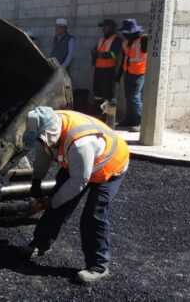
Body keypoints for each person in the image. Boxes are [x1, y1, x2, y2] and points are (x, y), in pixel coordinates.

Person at [20, 106, 129, 284]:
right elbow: (44, 154)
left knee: (93, 214)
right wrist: (36, 181)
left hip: (109, 166)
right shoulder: (47, 130)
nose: (39, 141)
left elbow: (79, 181)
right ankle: (41, 243)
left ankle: (98, 266)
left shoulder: (80, 143)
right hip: (79, 165)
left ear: (50, 132)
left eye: (41, 138)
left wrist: (51, 201)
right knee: (59, 202)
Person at [117, 19, 148, 132]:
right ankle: (130, 120)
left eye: (126, 32)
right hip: (128, 72)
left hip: (139, 73)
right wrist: (119, 74)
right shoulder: (126, 42)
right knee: (128, 97)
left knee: (135, 97)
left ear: (133, 32)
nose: (124, 34)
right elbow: (125, 59)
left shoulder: (143, 39)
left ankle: (140, 122)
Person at [91, 19, 123, 117]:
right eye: (103, 27)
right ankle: (98, 112)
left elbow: (112, 54)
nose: (103, 29)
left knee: (107, 93)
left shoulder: (116, 39)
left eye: (105, 27)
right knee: (97, 92)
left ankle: (109, 116)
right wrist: (96, 54)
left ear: (111, 28)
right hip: (98, 69)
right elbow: (93, 51)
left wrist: (99, 54)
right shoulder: (102, 39)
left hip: (108, 70)